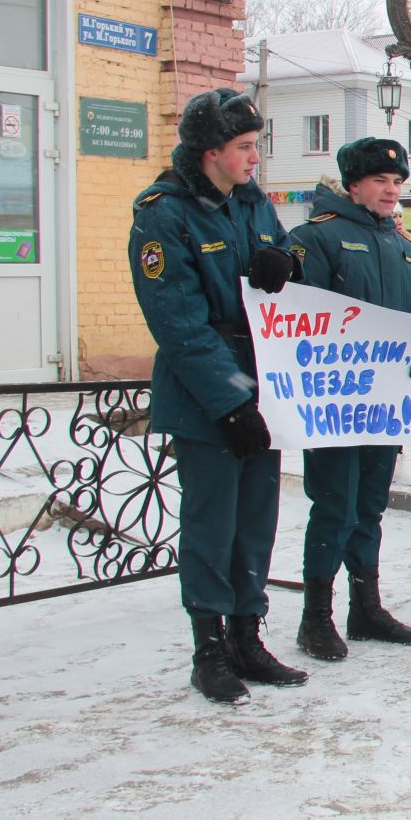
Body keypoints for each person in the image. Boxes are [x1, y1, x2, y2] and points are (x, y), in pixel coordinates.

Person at [128, 87, 303, 704]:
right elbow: (176, 320)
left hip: (266, 378)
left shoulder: (252, 202)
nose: (255, 158)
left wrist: (283, 261)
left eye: (256, 146)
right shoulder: (163, 212)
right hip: (208, 392)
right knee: (211, 521)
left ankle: (248, 637)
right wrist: (230, 400)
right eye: (245, 147)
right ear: (209, 151)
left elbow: (282, 262)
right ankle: (210, 649)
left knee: (257, 518)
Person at [286, 138, 411, 660]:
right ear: (353, 185)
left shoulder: (405, 246)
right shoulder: (315, 238)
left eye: (397, 182)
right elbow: (300, 317)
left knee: (369, 507)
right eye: (380, 182)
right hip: (335, 402)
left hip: (383, 403)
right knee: (334, 508)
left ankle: (364, 607)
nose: (392, 191)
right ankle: (315, 617)